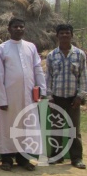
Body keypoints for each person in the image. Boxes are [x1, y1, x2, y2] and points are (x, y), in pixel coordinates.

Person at [0, 18, 46, 171]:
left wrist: (41, 89)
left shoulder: (31, 47)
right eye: (15, 27)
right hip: (9, 97)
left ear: (24, 29)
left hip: (29, 96)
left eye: (21, 27)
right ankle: (7, 159)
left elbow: (37, 68)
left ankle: (24, 159)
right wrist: (2, 99)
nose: (18, 29)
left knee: (27, 127)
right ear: (9, 29)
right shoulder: (1, 49)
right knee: (8, 127)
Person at [46, 23, 86, 169]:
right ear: (57, 36)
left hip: (73, 99)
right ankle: (56, 156)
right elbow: (48, 78)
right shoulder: (51, 55)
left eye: (67, 33)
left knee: (74, 129)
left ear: (72, 35)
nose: (64, 35)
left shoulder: (79, 54)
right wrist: (49, 96)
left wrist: (80, 96)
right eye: (61, 33)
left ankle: (76, 158)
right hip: (56, 98)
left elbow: (83, 77)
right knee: (56, 128)